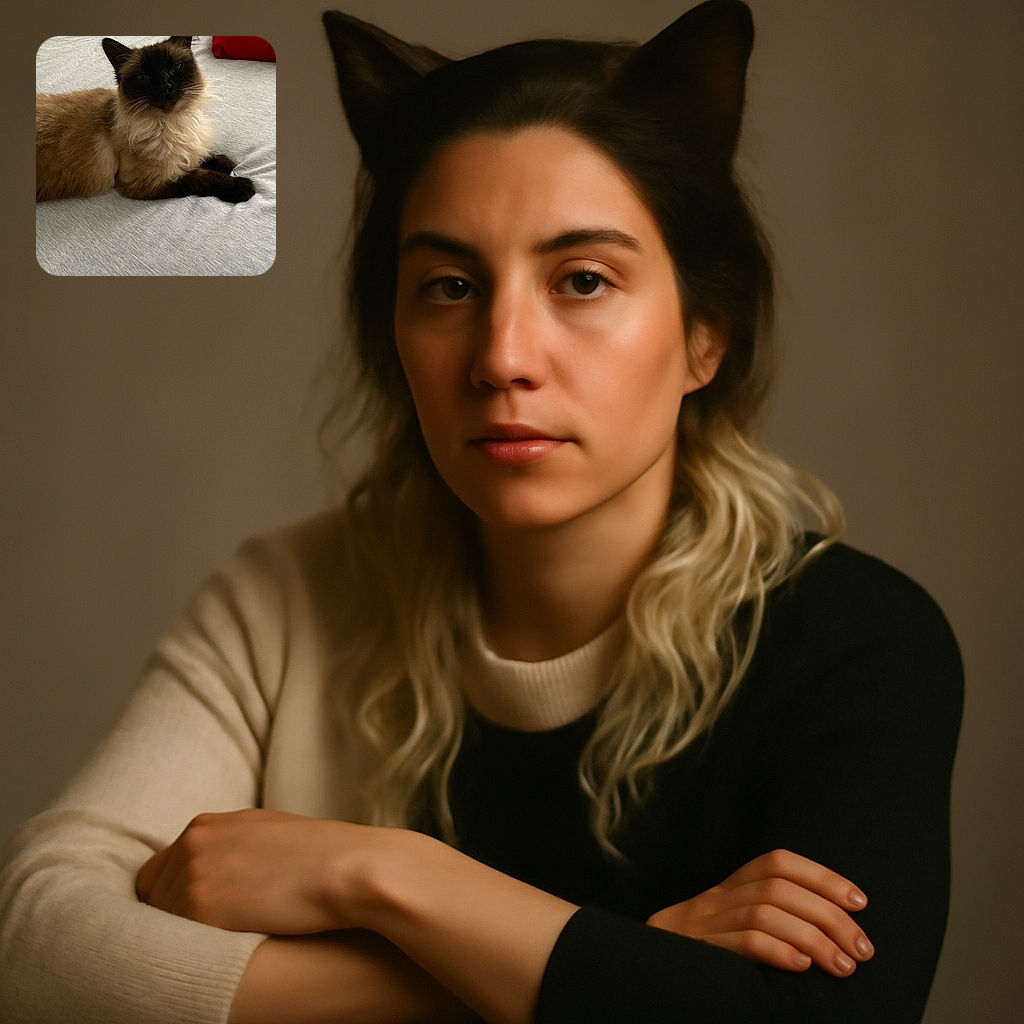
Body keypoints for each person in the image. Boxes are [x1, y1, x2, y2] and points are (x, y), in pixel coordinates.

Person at [0, 3, 962, 1022]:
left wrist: (382, 876)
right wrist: (607, 965)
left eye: (582, 280)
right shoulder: (285, 602)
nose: (502, 356)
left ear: (704, 337)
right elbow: (35, 946)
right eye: (450, 286)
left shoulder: (860, 643)